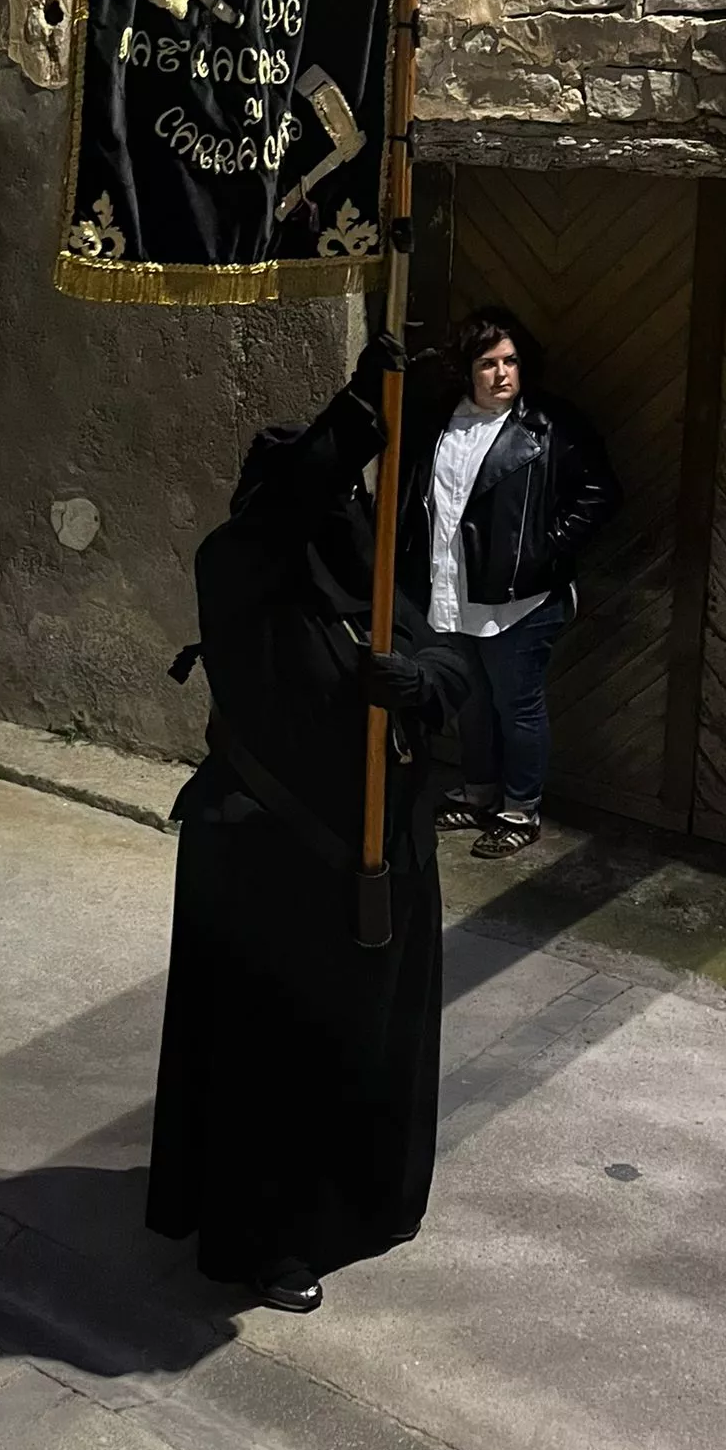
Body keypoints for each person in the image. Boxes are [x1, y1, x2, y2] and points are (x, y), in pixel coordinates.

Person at [146, 336, 473, 1314]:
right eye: (321, 490)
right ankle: (268, 1238)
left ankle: (362, 1200)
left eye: (344, 494)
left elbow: (456, 659)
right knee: (276, 1064)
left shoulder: (366, 573)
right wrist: (364, 405)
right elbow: (291, 504)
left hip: (385, 870)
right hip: (274, 875)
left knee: (370, 1049)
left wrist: (418, 679)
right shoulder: (241, 571)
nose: (337, 509)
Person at [407, 306, 621, 859]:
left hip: (521, 599)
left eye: (511, 361)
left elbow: (600, 493)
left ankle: (519, 809)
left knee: (517, 705)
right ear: (465, 370)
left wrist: (544, 549)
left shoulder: (549, 425)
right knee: (471, 701)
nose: (503, 373)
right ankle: (478, 791)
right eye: (487, 363)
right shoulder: (439, 422)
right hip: (450, 588)